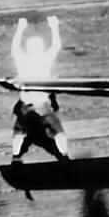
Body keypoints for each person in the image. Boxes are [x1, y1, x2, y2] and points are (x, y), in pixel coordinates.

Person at [10, 15, 69, 163]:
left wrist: (20, 28)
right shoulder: (45, 60)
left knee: (19, 131)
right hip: (42, 104)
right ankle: (64, 156)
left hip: (25, 104)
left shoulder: (22, 59)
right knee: (57, 131)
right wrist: (54, 26)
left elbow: (15, 46)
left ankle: (16, 156)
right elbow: (56, 45)